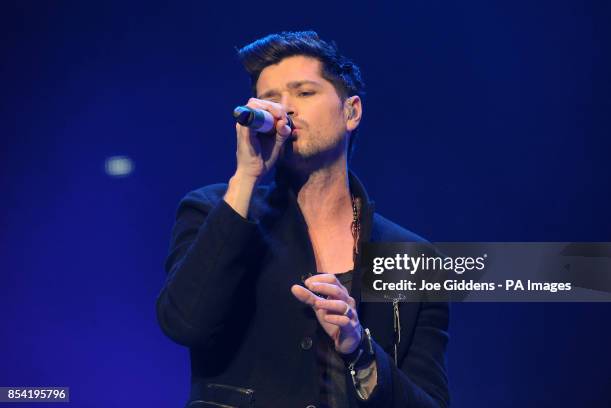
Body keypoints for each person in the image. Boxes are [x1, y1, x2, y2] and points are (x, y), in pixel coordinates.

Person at [156, 31, 449, 408]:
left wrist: (361, 350)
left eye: (304, 93)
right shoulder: (215, 209)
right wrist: (246, 177)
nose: (285, 109)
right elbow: (184, 323)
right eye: (270, 99)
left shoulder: (411, 257)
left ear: (351, 112)